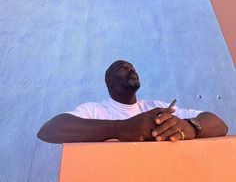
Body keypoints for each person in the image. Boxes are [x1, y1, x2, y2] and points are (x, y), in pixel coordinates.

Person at [37, 60, 228, 143]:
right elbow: (49, 130)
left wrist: (190, 127)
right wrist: (120, 129)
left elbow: (219, 124)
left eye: (133, 67)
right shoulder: (95, 110)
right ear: (108, 81)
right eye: (123, 68)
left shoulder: (156, 107)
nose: (131, 70)